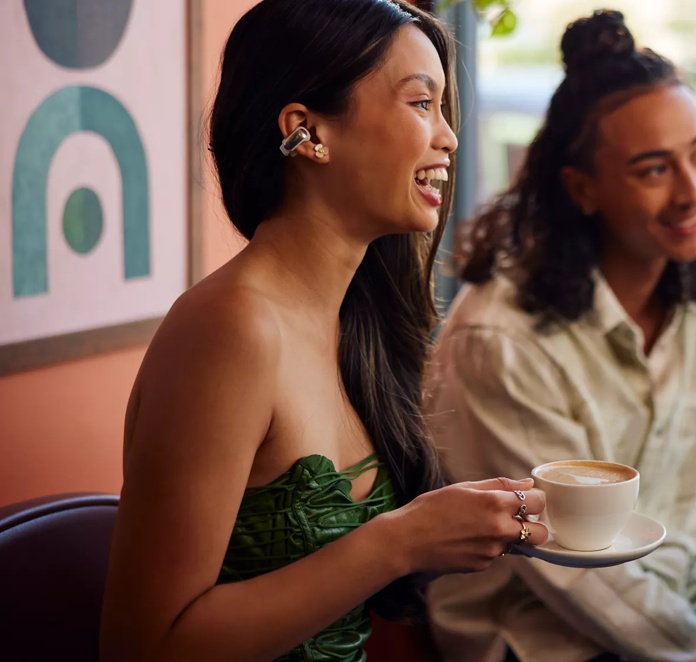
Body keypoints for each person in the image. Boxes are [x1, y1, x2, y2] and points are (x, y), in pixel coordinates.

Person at [98, 2, 548, 660]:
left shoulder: (355, 321)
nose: (448, 137)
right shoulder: (230, 329)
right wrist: (399, 541)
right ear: (307, 133)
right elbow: (142, 646)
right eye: (421, 103)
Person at [424, 9, 696, 662]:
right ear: (582, 189)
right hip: (547, 642)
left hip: (691, 601)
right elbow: (578, 577)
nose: (694, 192)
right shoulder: (502, 342)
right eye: (654, 170)